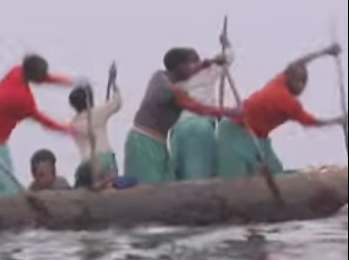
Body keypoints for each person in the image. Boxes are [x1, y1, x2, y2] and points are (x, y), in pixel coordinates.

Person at [217, 43, 347, 178]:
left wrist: (325, 51)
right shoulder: (285, 100)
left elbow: (300, 62)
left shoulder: (281, 79)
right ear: (289, 78)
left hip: (258, 137)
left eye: (304, 82)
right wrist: (338, 121)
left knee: (276, 173)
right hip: (235, 131)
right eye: (298, 82)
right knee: (237, 178)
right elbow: (310, 122)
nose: (301, 87)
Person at [124, 48, 240, 184]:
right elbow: (199, 108)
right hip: (144, 142)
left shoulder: (160, 75)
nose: (195, 68)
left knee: (167, 182)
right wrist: (229, 112)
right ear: (179, 67)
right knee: (150, 188)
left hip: (157, 141)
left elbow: (197, 68)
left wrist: (212, 61)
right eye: (190, 64)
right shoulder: (171, 90)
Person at [0, 54, 74, 199]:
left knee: (9, 186)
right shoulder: (21, 99)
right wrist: (68, 130)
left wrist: (68, 82)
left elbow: (45, 79)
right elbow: (45, 121)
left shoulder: (16, 71)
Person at [169, 39, 236, 181]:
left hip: (177, 130)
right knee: (200, 178)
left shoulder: (173, 83)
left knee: (179, 177)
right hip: (199, 127)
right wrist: (226, 43)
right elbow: (229, 57)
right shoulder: (206, 73)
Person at [69, 64, 122, 189]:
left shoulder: (72, 125)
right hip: (104, 159)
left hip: (87, 164)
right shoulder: (97, 113)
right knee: (111, 189)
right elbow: (117, 102)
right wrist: (113, 82)